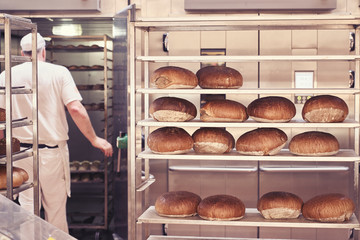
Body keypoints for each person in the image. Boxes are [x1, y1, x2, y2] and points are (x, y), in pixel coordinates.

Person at [0, 32, 113, 233]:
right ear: (44, 50)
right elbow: (76, 109)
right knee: (55, 211)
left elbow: (1, 118)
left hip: (20, 154)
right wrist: (94, 139)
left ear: (21, 52)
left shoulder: (6, 75)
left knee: (27, 211)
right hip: (51, 153)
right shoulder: (58, 72)